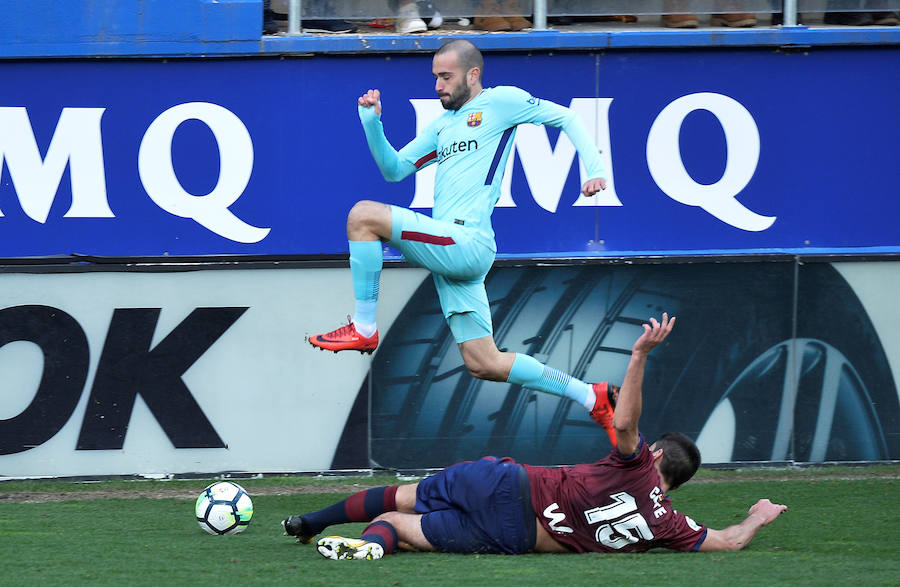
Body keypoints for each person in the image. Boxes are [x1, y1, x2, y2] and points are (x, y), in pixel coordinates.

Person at [308, 39, 621, 443]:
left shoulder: (502, 102)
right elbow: (395, 170)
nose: (438, 85)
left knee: (362, 216)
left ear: (472, 75)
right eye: (435, 77)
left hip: (467, 241)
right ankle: (590, 395)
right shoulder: (442, 126)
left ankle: (365, 326)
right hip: (452, 249)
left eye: (445, 76)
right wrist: (372, 123)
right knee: (483, 362)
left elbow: (568, 119)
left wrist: (593, 170)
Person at [285, 313, 789, 559]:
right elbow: (727, 541)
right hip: (516, 537)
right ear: (675, 485)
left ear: (655, 454)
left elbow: (627, 422)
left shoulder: (638, 467)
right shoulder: (669, 525)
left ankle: (311, 521)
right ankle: (373, 547)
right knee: (396, 523)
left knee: (400, 496)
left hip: (508, 486)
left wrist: (638, 356)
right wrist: (759, 517)